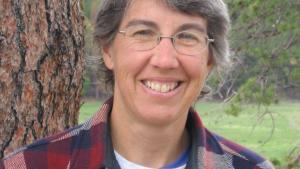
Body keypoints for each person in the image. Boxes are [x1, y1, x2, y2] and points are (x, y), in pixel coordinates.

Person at [1, 0, 275, 169]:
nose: (166, 59)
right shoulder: (27, 166)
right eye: (143, 33)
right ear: (108, 50)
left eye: (188, 36)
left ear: (209, 60)